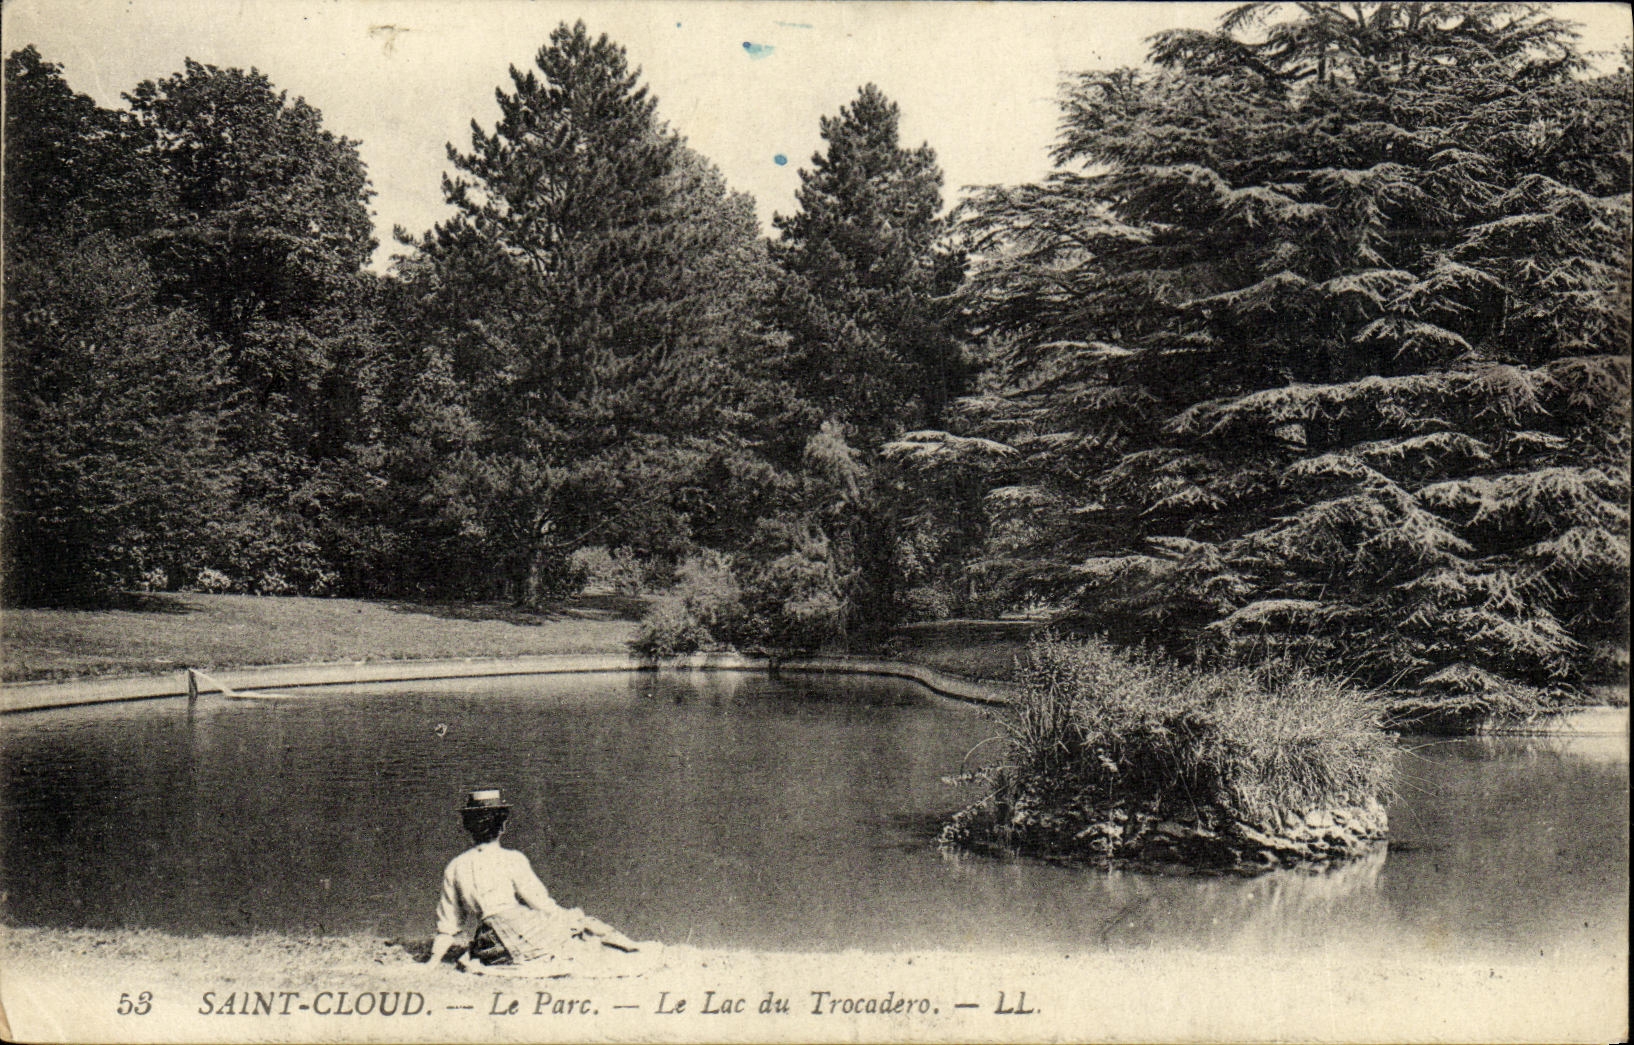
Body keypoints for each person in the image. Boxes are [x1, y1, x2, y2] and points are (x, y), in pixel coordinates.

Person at [424, 789, 639, 970]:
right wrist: (571, 920)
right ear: (503, 825)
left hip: (489, 946)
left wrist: (432, 962)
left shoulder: (455, 866)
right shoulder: (512, 859)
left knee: (573, 935)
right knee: (581, 926)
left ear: (468, 827)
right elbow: (541, 904)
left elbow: (448, 925)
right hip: (522, 932)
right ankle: (633, 949)